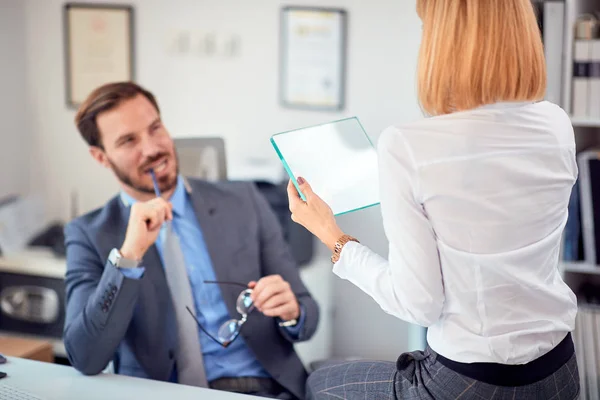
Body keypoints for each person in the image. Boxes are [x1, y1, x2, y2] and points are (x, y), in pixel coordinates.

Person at [286, 0, 580, 399]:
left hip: (468, 384)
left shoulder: (407, 145)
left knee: (317, 383)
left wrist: (332, 235)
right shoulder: (557, 123)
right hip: (559, 372)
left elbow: (419, 305)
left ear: (443, 44)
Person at [63, 82, 319, 400]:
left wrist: (292, 310)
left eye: (155, 128)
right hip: (161, 394)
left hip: (260, 388)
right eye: (128, 140)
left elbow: (309, 315)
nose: (152, 148)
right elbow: (84, 356)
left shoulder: (244, 200)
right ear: (101, 157)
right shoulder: (88, 234)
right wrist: (128, 257)